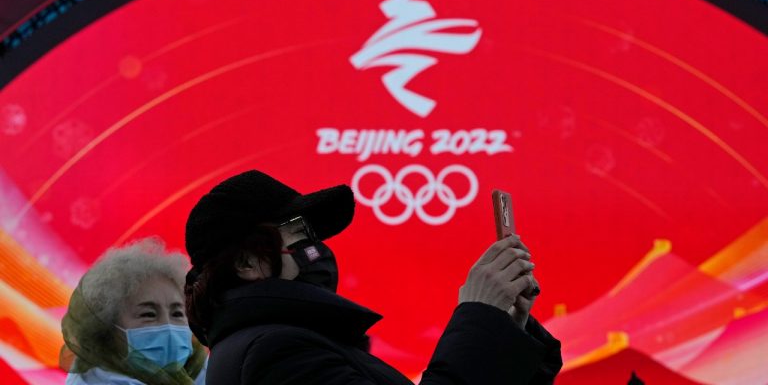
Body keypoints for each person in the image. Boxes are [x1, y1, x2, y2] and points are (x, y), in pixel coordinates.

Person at [184, 170, 562, 384]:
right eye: (300, 237)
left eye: (316, 239)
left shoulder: (287, 341)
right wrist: (478, 314)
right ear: (248, 263)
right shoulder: (276, 352)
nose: (316, 251)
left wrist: (506, 329)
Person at [61, 238, 207, 385]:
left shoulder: (200, 371)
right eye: (148, 314)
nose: (168, 326)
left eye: (177, 314)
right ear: (107, 328)